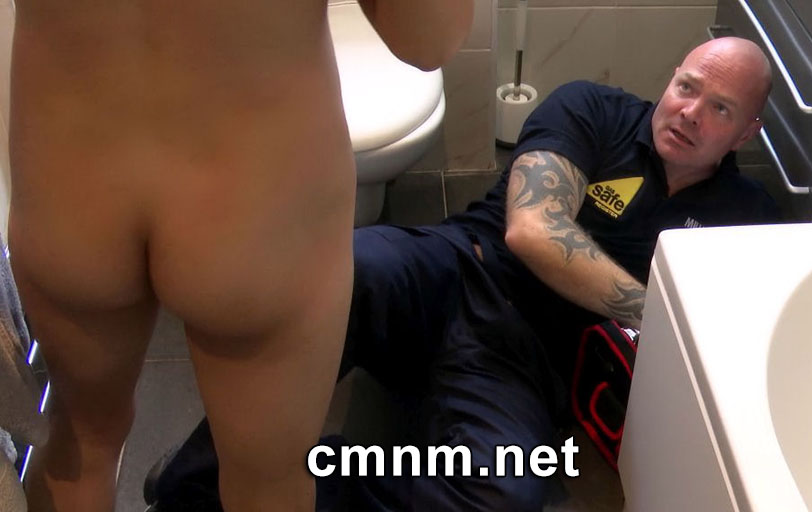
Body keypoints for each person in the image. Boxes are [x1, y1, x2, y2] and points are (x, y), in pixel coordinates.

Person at [147, 36, 778, 511]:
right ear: (670, 79)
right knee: (343, 272)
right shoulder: (594, 110)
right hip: (458, 272)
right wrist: (655, 308)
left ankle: (308, 473)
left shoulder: (746, 219)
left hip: (530, 364)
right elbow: (533, 230)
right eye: (687, 87)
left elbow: (734, 337)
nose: (690, 112)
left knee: (502, 495)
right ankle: (197, 482)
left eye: (720, 108)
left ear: (747, 133)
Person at [7, 1, 472, 511]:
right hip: (255, 203)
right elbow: (429, 40)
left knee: (81, 448)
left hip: (70, 188)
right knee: (269, 485)